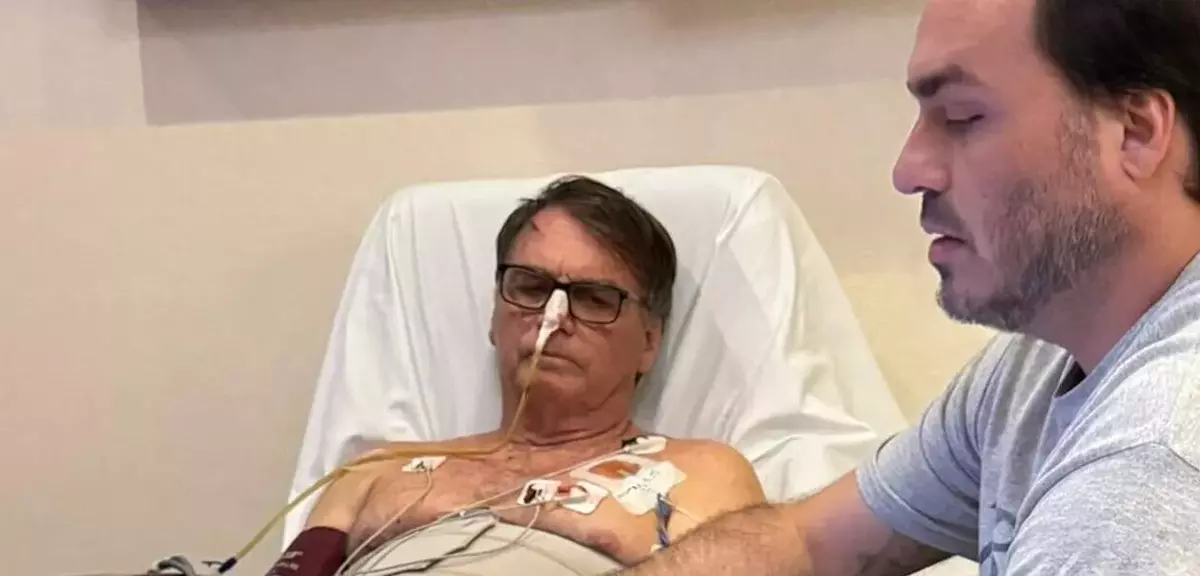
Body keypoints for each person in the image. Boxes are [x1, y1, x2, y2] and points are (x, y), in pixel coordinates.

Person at [618, 0, 1200, 575]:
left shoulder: (1143, 483)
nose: (908, 170)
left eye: (962, 117)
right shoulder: (1040, 363)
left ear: (1136, 133)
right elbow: (806, 542)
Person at [266, 175, 766, 576]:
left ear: (650, 342)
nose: (554, 317)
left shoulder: (702, 475)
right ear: (494, 313)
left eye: (595, 299)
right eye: (530, 287)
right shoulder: (376, 473)